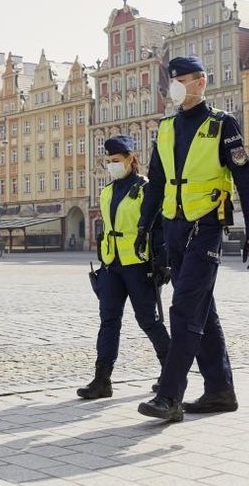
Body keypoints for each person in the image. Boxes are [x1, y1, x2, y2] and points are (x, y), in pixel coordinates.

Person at [136, 55, 249, 422]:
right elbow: (156, 183)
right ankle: (220, 390)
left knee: (184, 309)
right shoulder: (165, 127)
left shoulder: (223, 124)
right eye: (170, 80)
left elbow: (245, 179)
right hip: (173, 227)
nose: (174, 86)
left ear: (201, 82)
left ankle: (169, 395)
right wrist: (146, 228)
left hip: (206, 226)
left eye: (181, 80)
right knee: (202, 310)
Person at [77, 135, 171, 400]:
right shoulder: (107, 191)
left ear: (131, 158)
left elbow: (161, 228)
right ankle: (101, 380)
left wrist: (164, 263)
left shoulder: (145, 189)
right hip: (112, 265)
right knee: (109, 322)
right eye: (108, 162)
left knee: (149, 321)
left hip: (139, 265)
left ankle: (171, 374)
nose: (111, 165)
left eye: (116, 160)